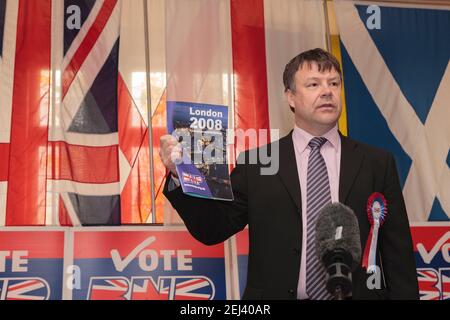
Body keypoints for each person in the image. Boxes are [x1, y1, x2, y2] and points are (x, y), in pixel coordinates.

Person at [160, 48, 419, 300]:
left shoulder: (376, 162)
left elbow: (398, 254)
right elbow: (212, 228)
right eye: (314, 84)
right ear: (290, 97)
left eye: (334, 83)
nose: (327, 91)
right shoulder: (257, 162)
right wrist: (178, 176)